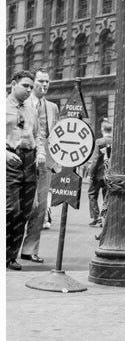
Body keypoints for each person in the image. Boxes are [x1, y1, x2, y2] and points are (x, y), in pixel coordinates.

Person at [20, 68, 60, 263]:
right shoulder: (22, 103)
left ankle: (29, 249)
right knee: (18, 207)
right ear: (32, 82)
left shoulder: (52, 107)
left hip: (44, 165)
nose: (44, 85)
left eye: (47, 82)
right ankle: (10, 249)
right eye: (41, 81)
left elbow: (55, 136)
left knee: (41, 208)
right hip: (23, 161)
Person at [6, 70, 38, 270]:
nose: (28, 90)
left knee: (24, 212)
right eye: (25, 85)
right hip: (9, 159)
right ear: (13, 84)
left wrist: (40, 153)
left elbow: (38, 134)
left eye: (31, 87)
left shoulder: (31, 108)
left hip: (29, 161)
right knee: (11, 210)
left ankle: (10, 257)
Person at [88, 119, 112, 227]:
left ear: (102, 129)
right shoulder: (115, 141)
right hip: (109, 173)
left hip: (98, 174)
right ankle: (105, 218)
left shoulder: (99, 141)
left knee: (92, 195)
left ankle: (95, 217)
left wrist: (90, 173)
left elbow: (95, 159)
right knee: (106, 197)